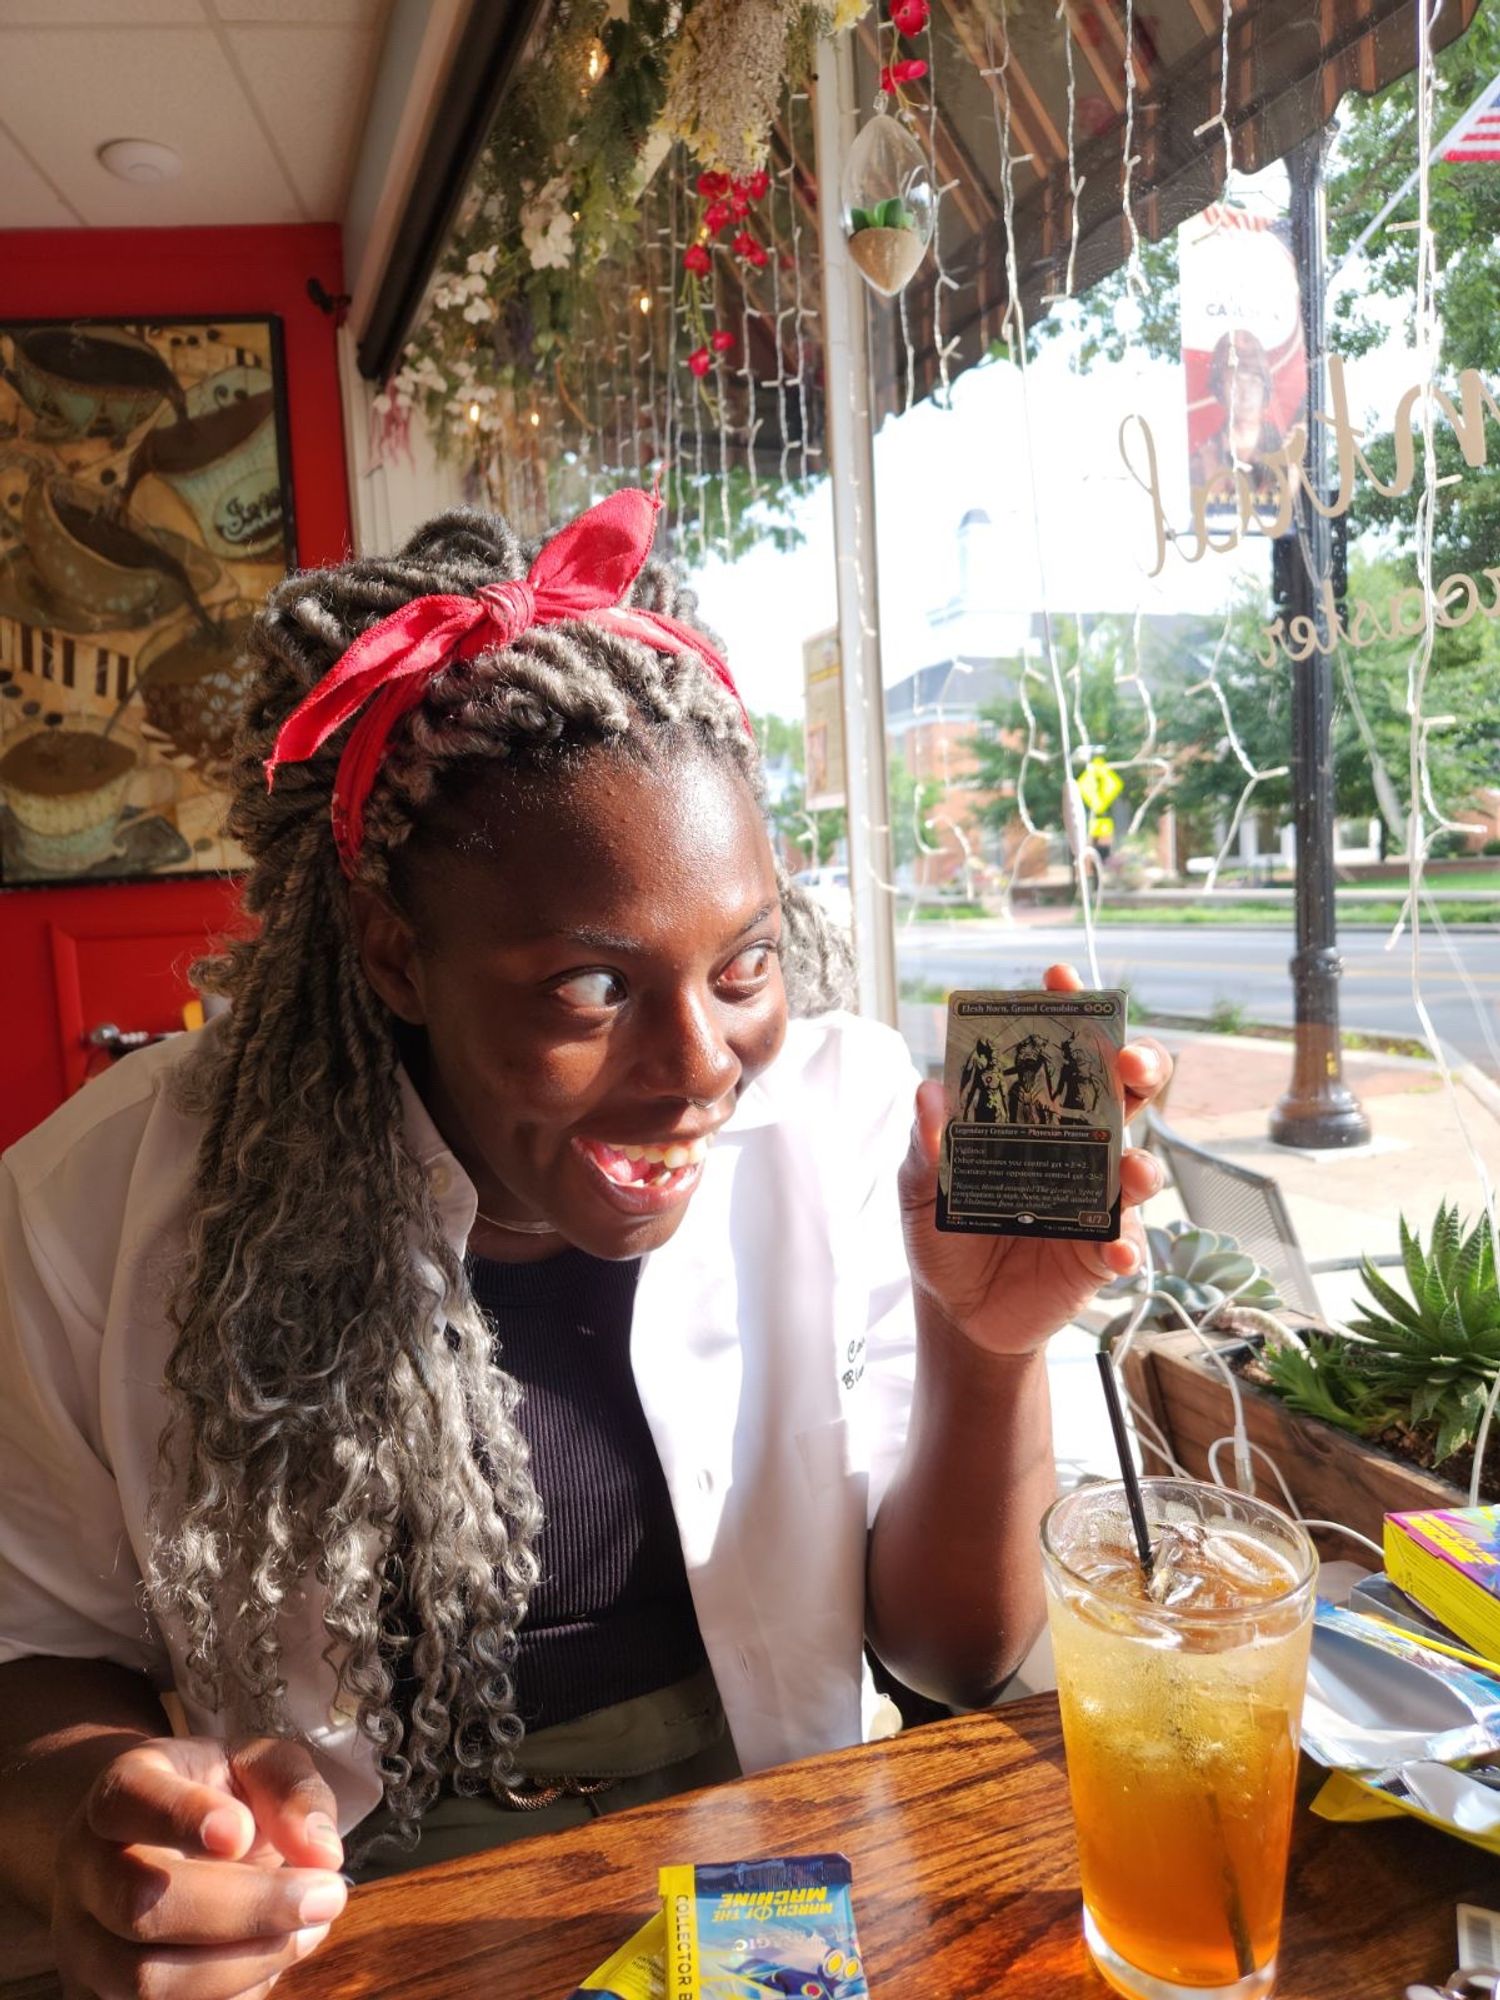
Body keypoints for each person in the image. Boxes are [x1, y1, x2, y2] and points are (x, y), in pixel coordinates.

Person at [0, 488, 1170, 1995]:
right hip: (346, 1905)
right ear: (394, 953)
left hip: (772, 1844)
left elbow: (954, 1658)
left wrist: (989, 1344)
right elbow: (34, 1648)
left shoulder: (853, 1118)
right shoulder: (100, 1203)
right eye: (590, 988)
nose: (700, 1068)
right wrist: (103, 1813)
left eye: (742, 964)